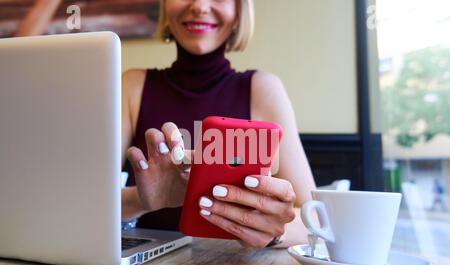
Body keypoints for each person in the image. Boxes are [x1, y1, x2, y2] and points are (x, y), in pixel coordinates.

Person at [121, 0, 316, 249]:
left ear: (238, 12)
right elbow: (85, 202)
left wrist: (274, 230)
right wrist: (141, 200)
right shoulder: (131, 86)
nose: (200, 6)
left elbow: (315, 218)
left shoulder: (263, 89)